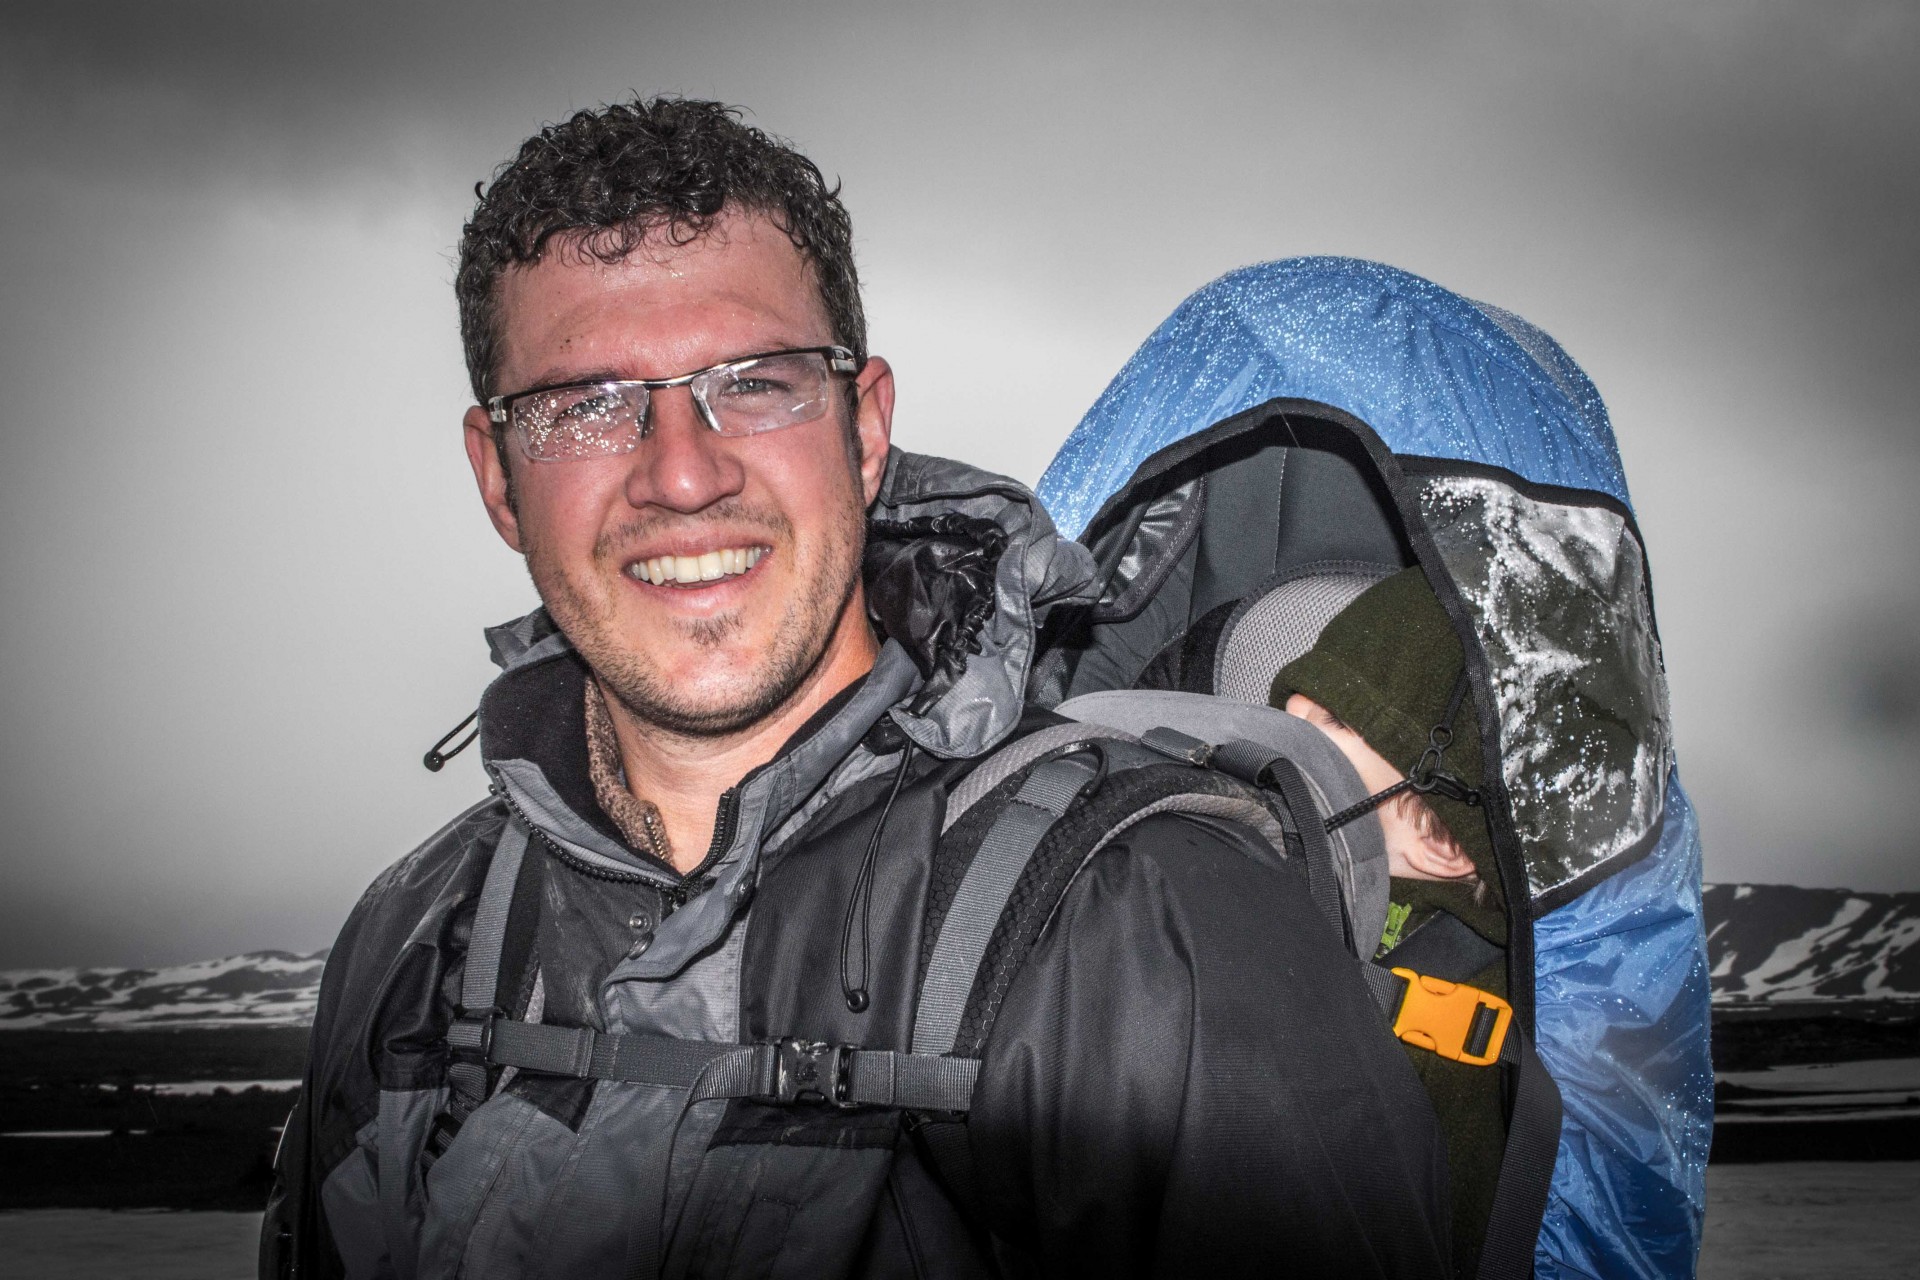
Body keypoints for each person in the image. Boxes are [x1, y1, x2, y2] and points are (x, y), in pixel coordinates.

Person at [260, 97, 1452, 1278]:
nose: (681, 472)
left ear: (865, 427)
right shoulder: (417, 938)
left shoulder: (1154, 931)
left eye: (759, 381)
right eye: (588, 405)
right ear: (498, 477)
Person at [1272, 566, 1508, 1280]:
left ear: (1441, 842)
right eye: (1293, 706)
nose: (1282, 733)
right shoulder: (1317, 886)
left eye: (1337, 723)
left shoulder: (1457, 1021)